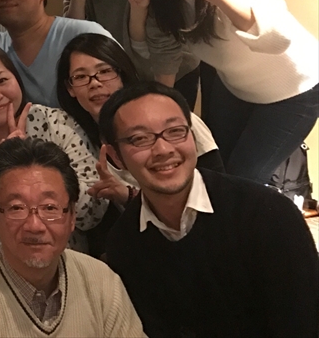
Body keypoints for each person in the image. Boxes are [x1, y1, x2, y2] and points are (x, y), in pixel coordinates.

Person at [101, 82, 319, 338]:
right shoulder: (124, 244)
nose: (163, 149)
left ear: (193, 137)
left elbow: (305, 321)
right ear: (116, 156)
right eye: (139, 139)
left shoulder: (267, 214)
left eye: (175, 131)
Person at [137, 0, 319, 187]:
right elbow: (157, 53)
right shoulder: (168, 0)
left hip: (293, 91)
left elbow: (278, 40)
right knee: (214, 163)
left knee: (244, 178)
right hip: (237, 87)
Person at [0, 137, 145, 338]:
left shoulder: (101, 282)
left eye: (50, 208)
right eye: (17, 208)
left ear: (71, 216)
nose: (34, 225)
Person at [0, 40, 104, 266]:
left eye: (2, 80)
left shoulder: (57, 123)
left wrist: (30, 160)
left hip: (67, 266)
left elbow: (92, 214)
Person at [55, 33, 222, 255]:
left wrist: (128, 195)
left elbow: (218, 191)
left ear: (122, 74)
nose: (95, 83)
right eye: (80, 76)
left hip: (209, 236)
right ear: (70, 88)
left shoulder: (174, 121)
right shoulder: (80, 145)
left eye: (105, 71)